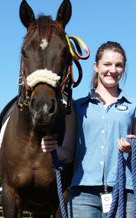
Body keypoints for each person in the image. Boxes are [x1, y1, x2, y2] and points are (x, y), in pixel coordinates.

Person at [42, 41, 136, 217]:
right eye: (107, 64)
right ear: (96, 66)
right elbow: (69, 152)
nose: (112, 70)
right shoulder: (76, 108)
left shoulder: (133, 108)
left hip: (125, 192)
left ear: (124, 69)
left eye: (118, 65)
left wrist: (132, 146)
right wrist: (53, 149)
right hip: (83, 194)